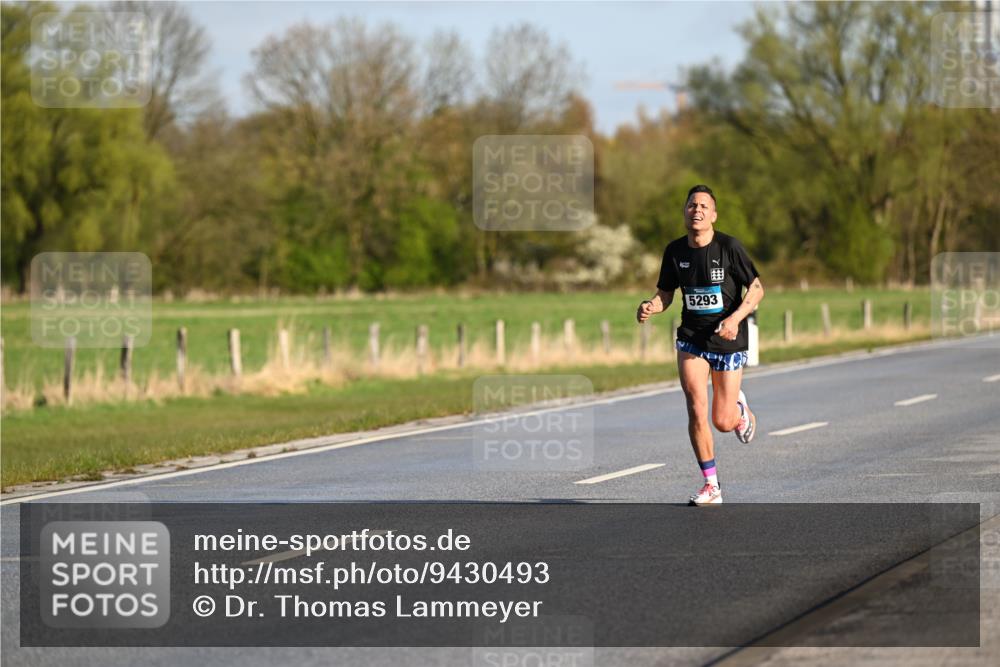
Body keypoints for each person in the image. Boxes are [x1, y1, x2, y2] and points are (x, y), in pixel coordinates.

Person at [636, 185, 764, 505]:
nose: (697, 210)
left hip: (727, 339)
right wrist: (651, 305)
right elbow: (666, 293)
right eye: (692, 205)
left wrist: (735, 319)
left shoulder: (729, 247)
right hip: (691, 338)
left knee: (721, 421)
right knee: (696, 405)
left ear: (714, 215)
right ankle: (711, 485)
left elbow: (757, 289)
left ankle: (737, 409)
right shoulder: (675, 251)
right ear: (685, 212)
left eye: (704, 206)